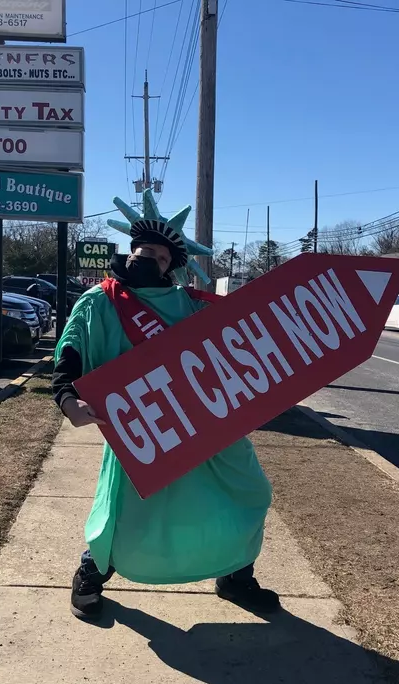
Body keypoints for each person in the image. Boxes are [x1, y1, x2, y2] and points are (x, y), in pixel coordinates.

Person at [52, 191, 280, 621]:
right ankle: (91, 571)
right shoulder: (101, 300)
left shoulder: (193, 305)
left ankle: (235, 576)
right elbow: (70, 353)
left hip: (210, 424)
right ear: (130, 250)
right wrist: (68, 399)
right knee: (125, 512)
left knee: (250, 493)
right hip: (145, 426)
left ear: (170, 265)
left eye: (157, 256)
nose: (146, 259)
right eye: (141, 251)